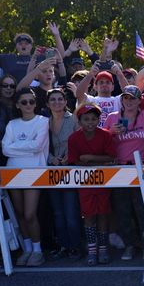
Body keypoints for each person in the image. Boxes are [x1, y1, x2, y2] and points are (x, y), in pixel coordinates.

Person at [103, 81, 144, 261]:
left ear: (139, 101)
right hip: (119, 167)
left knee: (142, 207)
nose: (128, 102)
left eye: (132, 99)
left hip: (141, 166)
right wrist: (110, 132)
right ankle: (129, 244)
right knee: (123, 209)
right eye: (126, 98)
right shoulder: (112, 117)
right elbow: (103, 141)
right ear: (121, 100)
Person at [2, 88, 50, 267]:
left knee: (30, 214)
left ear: (35, 103)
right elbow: (5, 149)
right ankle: (27, 249)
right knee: (20, 213)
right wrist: (25, 146)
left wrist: (16, 145)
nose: (28, 105)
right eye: (24, 102)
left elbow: (38, 146)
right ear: (17, 105)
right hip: (12, 173)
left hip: (34, 173)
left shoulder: (43, 121)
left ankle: (38, 251)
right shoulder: (12, 124)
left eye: (31, 101)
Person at [68, 103, 117, 266]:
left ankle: (103, 249)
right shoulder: (74, 138)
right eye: (86, 119)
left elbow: (112, 157)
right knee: (88, 215)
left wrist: (90, 158)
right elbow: (75, 160)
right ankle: (92, 250)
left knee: (103, 214)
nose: (90, 122)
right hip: (84, 183)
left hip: (103, 182)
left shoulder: (106, 135)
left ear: (98, 120)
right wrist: (91, 162)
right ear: (80, 121)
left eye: (94, 119)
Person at [46, 88, 81, 260]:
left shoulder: (73, 119)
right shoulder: (43, 122)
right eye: (53, 99)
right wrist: (51, 158)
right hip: (50, 171)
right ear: (47, 103)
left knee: (70, 211)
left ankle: (75, 246)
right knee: (58, 213)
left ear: (66, 102)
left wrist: (70, 156)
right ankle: (63, 245)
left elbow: (80, 140)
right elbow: (40, 146)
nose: (57, 102)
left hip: (69, 170)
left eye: (60, 99)